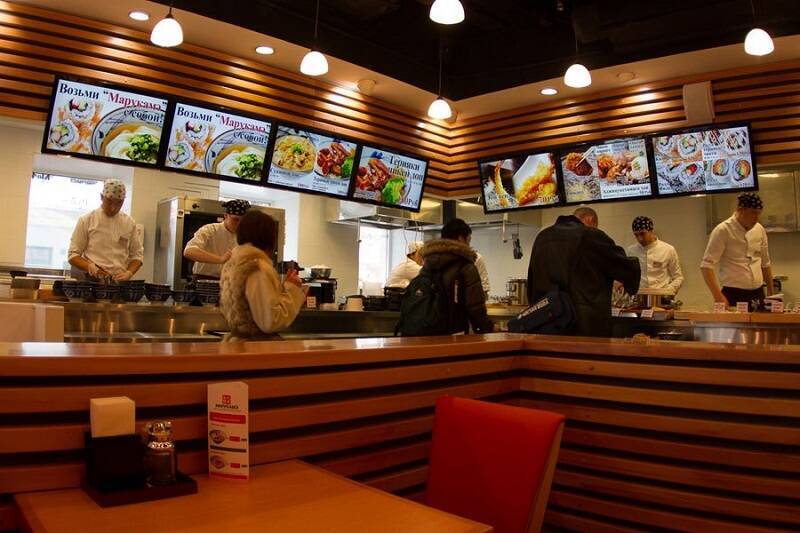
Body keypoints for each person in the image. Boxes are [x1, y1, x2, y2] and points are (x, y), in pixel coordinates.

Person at [527, 207, 640, 337]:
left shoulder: (542, 237)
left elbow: (531, 283)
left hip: (545, 324)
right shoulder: (590, 235)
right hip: (584, 327)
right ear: (590, 220)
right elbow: (626, 268)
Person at [219, 210, 306, 341]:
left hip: (240, 345)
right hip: (256, 347)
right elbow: (270, 321)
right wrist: (293, 289)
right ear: (268, 237)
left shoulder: (234, 264)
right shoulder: (256, 267)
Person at [415, 218, 494, 334]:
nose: (469, 245)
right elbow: (475, 307)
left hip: (425, 333)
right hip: (455, 333)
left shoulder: (428, 264)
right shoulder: (465, 266)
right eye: (469, 240)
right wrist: (487, 329)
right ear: (461, 238)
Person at [701, 192, 773, 309]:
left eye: (759, 213)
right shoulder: (723, 230)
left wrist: (771, 292)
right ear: (740, 210)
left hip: (758, 292)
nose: (756, 218)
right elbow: (706, 266)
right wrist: (718, 296)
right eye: (753, 213)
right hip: (733, 293)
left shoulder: (759, 229)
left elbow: (765, 264)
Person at [68, 179, 143, 281]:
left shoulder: (129, 223)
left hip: (119, 283)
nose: (113, 208)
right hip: (92, 281)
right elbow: (73, 255)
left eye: (119, 203)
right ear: (102, 197)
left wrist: (129, 273)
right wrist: (90, 267)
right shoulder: (86, 220)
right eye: (110, 202)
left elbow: (137, 256)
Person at [184, 199, 250, 280]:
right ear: (226, 216)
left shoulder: (245, 236)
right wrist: (220, 259)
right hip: (203, 279)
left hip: (230, 280)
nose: (239, 224)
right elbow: (189, 251)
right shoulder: (210, 230)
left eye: (243, 221)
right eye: (236, 219)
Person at [626, 216, 684, 294]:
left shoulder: (668, 249)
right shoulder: (631, 251)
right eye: (636, 235)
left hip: (662, 296)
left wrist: (667, 290)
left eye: (643, 234)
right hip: (639, 296)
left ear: (651, 231)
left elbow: (678, 277)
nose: (640, 239)